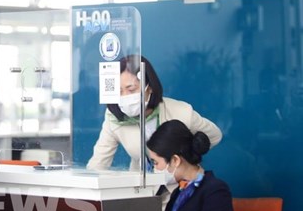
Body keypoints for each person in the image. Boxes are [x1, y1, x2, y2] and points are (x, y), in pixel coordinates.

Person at [86, 55, 222, 171]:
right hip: (138, 190)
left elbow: (214, 136)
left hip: (179, 189)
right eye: (119, 91)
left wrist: (185, 156)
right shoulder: (113, 117)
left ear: (149, 87)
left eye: (131, 89)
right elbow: (99, 161)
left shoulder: (180, 111)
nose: (125, 96)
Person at [147, 119, 233, 211]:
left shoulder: (215, 191)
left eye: (156, 163)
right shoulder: (178, 191)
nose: (154, 168)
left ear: (175, 160)